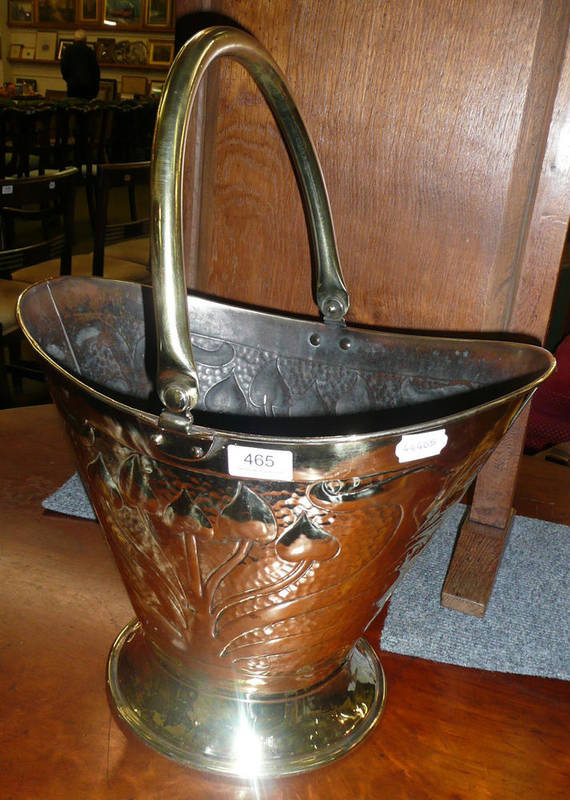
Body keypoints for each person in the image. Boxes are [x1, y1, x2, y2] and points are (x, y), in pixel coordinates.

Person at [60, 30, 100, 100]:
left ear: (74, 39)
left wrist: (69, 80)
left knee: (73, 104)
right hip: (88, 86)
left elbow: (64, 68)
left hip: (73, 85)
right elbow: (95, 71)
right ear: (85, 40)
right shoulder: (90, 51)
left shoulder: (68, 51)